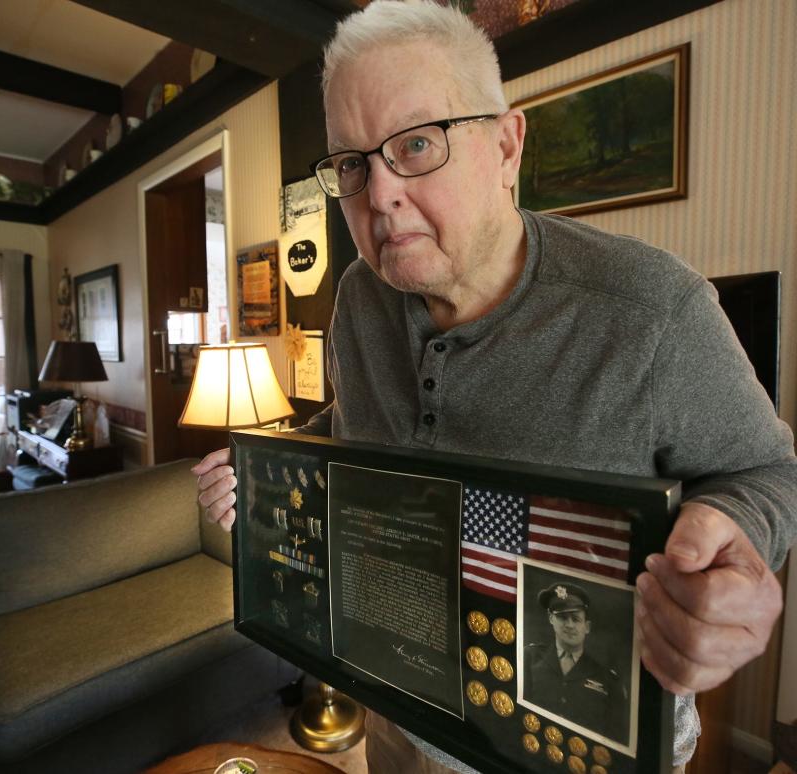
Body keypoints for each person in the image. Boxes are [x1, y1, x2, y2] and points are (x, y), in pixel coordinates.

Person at [193, 1, 796, 772]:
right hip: (399, 710)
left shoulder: (653, 311)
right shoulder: (357, 298)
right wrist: (271, 463)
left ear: (507, 146)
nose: (378, 197)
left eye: (416, 143)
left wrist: (739, 545)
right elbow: (357, 425)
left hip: (579, 740)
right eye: (351, 163)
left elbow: (768, 473)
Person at [523, 583, 628, 744]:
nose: (569, 625)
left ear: (587, 627)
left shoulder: (608, 680)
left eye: (576, 619)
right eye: (562, 617)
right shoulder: (529, 658)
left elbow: (617, 737)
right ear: (551, 619)